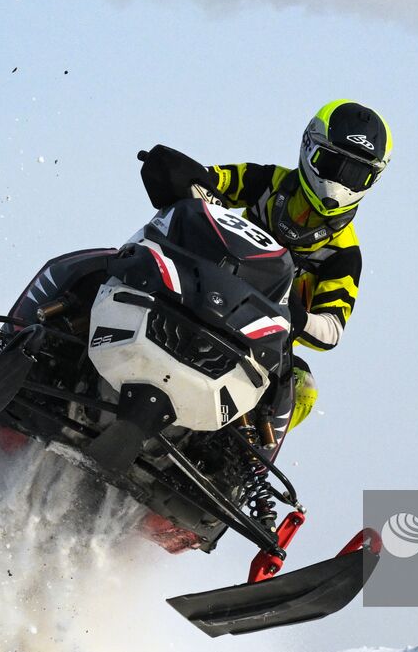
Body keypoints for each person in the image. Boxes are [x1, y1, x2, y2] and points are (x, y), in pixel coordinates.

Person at [138, 99, 391, 442]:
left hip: (259, 344)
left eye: (356, 173)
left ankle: (248, 466)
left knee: (303, 387)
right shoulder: (265, 180)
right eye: (332, 163)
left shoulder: (345, 254)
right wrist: (175, 170)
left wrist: (294, 316)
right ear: (310, 149)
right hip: (195, 291)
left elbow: (332, 329)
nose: (340, 183)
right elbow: (210, 182)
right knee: (117, 261)